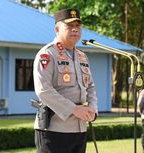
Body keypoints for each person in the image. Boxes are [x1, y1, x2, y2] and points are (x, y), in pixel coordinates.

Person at [33, 8, 98, 153]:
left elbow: (91, 87)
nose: (75, 30)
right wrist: (74, 109)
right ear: (57, 29)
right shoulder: (47, 54)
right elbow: (43, 90)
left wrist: (92, 109)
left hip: (79, 130)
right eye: (69, 26)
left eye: (77, 26)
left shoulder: (82, 57)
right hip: (54, 131)